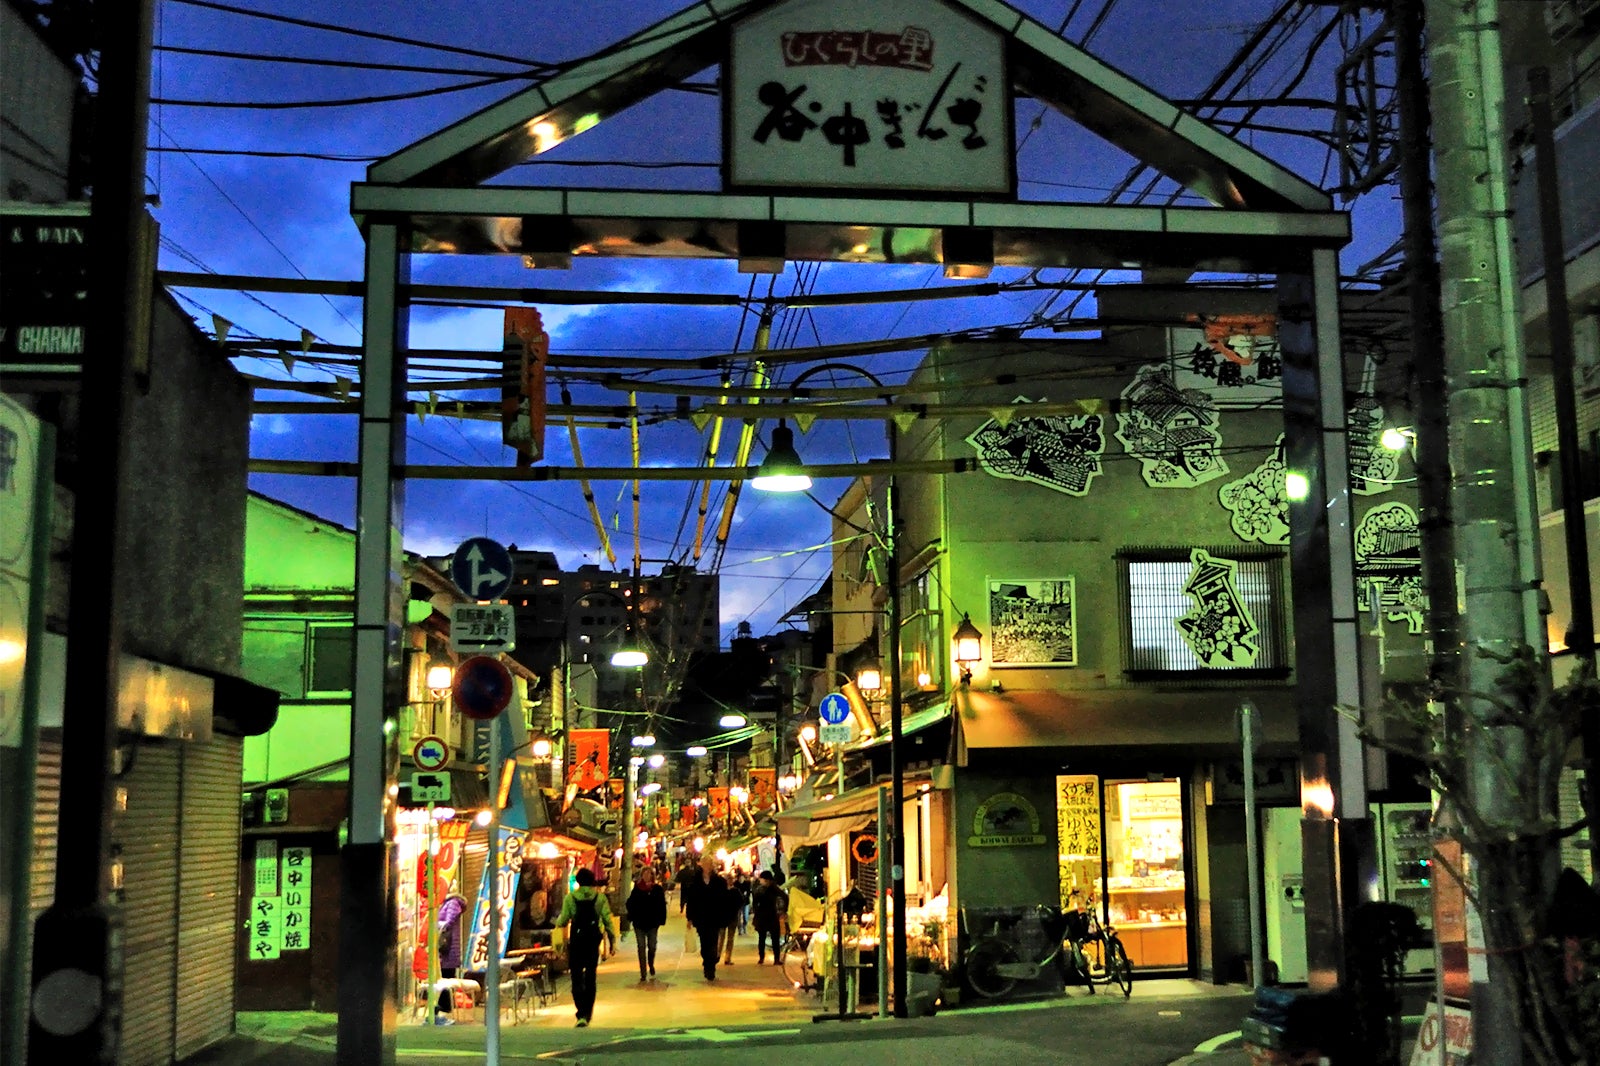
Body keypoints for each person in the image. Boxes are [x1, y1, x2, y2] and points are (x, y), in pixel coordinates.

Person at [554, 867, 616, 1027]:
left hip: (577, 940)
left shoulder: (570, 898)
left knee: (576, 976)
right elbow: (607, 920)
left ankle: (580, 1012)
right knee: (590, 976)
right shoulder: (600, 898)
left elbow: (563, 920)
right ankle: (588, 1012)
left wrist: (556, 927)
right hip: (592, 940)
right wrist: (612, 939)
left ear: (579, 881)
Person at [682, 854, 733, 980]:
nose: (707, 866)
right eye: (705, 863)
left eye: (709, 863)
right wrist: (690, 917)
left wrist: (724, 915)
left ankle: (711, 967)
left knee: (713, 942)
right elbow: (691, 900)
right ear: (701, 864)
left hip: (714, 917)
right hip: (701, 917)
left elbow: (724, 899)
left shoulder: (719, 881)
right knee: (705, 943)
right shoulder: (695, 881)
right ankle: (707, 963)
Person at [626, 866, 668, 981]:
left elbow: (661, 905)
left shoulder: (657, 889)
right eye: (644, 874)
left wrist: (661, 919)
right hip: (639, 923)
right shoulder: (637, 889)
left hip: (652, 923)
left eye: (649, 874)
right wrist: (632, 915)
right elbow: (630, 903)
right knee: (641, 946)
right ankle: (643, 971)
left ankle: (651, 963)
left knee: (652, 946)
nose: (646, 876)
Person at [433, 889, 468, 1026]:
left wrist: (435, 926)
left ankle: (442, 1008)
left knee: (446, 978)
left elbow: (448, 921)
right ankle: (443, 1007)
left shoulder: (452, 903)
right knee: (446, 978)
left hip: (448, 949)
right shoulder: (451, 903)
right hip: (449, 949)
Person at [750, 869, 787, 965]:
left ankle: (764, 958)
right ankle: (774, 959)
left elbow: (754, 902)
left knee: (764, 938)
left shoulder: (761, 889)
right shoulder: (772, 888)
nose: (760, 881)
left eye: (762, 879)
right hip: (770, 916)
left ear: (766, 879)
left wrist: (756, 911)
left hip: (765, 916)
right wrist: (784, 910)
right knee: (772, 938)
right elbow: (785, 897)